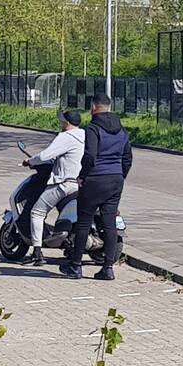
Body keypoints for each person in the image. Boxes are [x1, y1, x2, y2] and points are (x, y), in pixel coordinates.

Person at [59, 93, 131, 281]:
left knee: (83, 221)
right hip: (115, 179)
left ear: (94, 107)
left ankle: (75, 266)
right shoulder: (122, 130)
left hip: (95, 179)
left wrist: (82, 176)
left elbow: (90, 156)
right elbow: (127, 157)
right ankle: (107, 268)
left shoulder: (93, 129)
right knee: (109, 224)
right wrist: (120, 175)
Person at [21, 110, 85, 266]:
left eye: (62, 121)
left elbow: (45, 156)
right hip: (80, 183)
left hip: (64, 184)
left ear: (67, 123)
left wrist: (30, 161)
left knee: (37, 212)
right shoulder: (84, 135)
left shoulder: (65, 137)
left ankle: (37, 252)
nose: (61, 124)